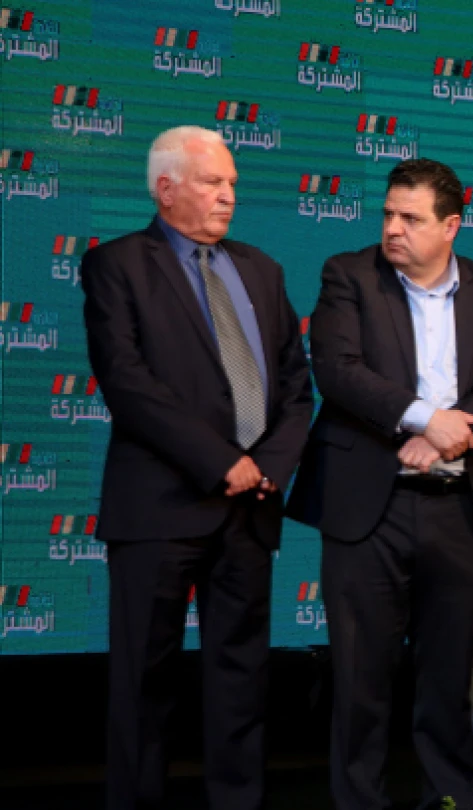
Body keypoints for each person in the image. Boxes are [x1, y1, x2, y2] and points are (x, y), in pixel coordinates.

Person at [285, 158, 473, 810]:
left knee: (447, 682)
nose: (393, 228)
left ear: (452, 225)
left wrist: (454, 435)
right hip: (372, 506)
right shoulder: (349, 275)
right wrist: (425, 418)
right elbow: (337, 370)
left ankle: (448, 803)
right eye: (389, 214)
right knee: (360, 683)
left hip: (461, 507)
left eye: (411, 218)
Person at [81, 125, 314, 810]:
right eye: (213, 182)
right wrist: (223, 464)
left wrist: (263, 467)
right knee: (142, 680)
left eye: (233, 183)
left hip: (250, 508)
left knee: (241, 680)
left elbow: (296, 389)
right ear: (166, 188)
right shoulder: (116, 265)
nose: (227, 196)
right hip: (159, 506)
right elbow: (128, 384)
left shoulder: (261, 269)